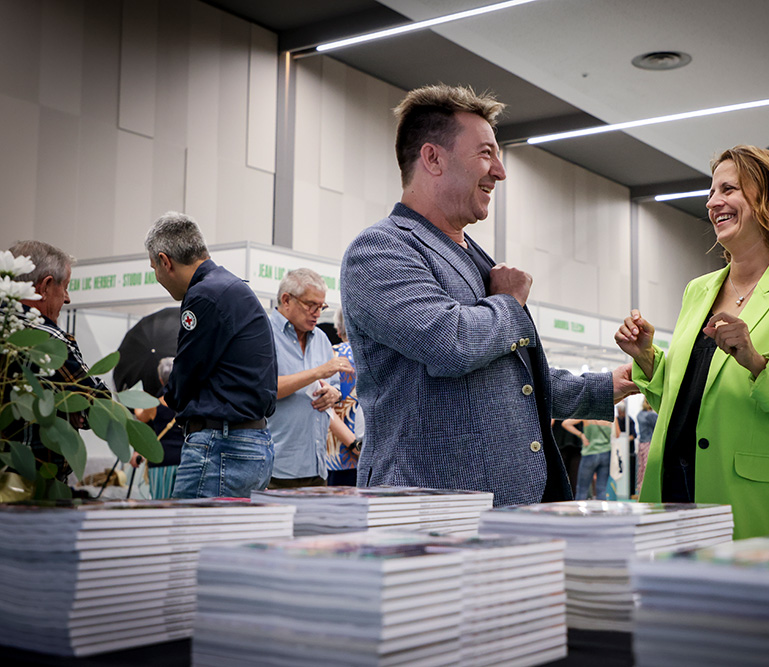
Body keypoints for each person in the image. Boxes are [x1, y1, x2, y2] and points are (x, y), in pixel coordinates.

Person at [340, 84, 634, 507]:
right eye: (485, 153)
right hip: (431, 509)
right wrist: (509, 303)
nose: (500, 170)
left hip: (502, 508)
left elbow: (510, 383)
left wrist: (606, 386)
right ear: (433, 158)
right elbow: (450, 342)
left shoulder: (473, 256)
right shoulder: (380, 250)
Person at [615, 145, 769, 539]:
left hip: (752, 503)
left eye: (728, 190)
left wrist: (758, 363)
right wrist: (646, 357)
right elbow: (689, 401)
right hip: (672, 493)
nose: (713, 202)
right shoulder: (699, 289)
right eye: (712, 192)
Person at [144, 212, 277, 498]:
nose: (157, 277)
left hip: (222, 446)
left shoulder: (204, 295)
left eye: (154, 267)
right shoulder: (232, 287)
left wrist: (167, 398)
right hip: (251, 441)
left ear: (165, 262)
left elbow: (186, 374)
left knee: (189, 540)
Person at [4, 241, 109, 481]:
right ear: (46, 286)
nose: (68, 298)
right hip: (35, 489)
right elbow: (100, 406)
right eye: (66, 287)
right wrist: (69, 403)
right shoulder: (47, 339)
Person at [267, 269, 353, 489]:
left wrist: (332, 395)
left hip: (317, 466)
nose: (317, 313)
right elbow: (266, 389)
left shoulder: (321, 339)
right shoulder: (263, 333)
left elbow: (332, 388)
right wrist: (318, 372)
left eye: (321, 307)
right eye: (310, 305)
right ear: (286, 300)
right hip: (276, 467)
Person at [130, 357, 184, 499]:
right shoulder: (187, 402)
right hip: (185, 460)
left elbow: (141, 417)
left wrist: (138, 400)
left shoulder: (154, 404)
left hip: (162, 461)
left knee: (162, 504)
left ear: (160, 379)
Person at [326, 306, 363, 486]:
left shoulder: (331, 355)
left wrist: (353, 445)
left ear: (339, 330)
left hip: (339, 458)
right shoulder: (378, 354)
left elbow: (323, 406)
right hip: (375, 457)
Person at [563, 418, 619, 500]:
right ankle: (601, 512)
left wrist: (581, 435)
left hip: (589, 453)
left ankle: (580, 512)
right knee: (602, 489)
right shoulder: (611, 416)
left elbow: (565, 423)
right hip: (606, 453)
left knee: (582, 489)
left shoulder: (588, 415)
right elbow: (617, 434)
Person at [635, 398, 658, 495]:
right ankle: (648, 491)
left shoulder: (639, 415)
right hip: (649, 443)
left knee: (641, 467)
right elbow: (658, 427)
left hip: (641, 444)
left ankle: (640, 490)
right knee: (648, 468)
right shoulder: (651, 415)